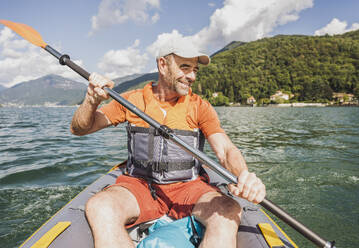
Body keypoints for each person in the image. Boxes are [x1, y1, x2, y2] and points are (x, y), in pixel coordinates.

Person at [70, 39, 266, 248]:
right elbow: (80, 128)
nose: (192, 76)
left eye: (194, 70)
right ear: (162, 65)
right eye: (184, 67)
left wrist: (243, 175)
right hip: (140, 185)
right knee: (100, 206)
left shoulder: (199, 106)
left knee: (229, 209)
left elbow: (226, 150)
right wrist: (91, 99)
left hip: (188, 187)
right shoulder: (132, 100)